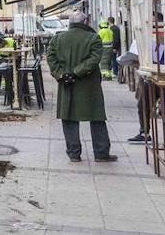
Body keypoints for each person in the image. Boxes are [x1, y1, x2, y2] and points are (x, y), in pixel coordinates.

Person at [47, 12, 117, 162]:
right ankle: (101, 153)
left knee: (69, 118)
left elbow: (51, 57)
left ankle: (74, 154)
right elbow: (94, 59)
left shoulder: (57, 39)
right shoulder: (93, 38)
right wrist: (77, 72)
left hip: (67, 84)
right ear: (85, 21)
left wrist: (61, 74)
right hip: (89, 85)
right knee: (97, 118)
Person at [109, 17, 123, 83]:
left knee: (114, 59)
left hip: (113, 46)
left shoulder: (112, 29)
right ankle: (115, 72)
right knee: (114, 59)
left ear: (109, 21)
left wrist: (114, 47)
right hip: (116, 46)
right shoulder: (116, 28)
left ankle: (115, 72)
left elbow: (115, 38)